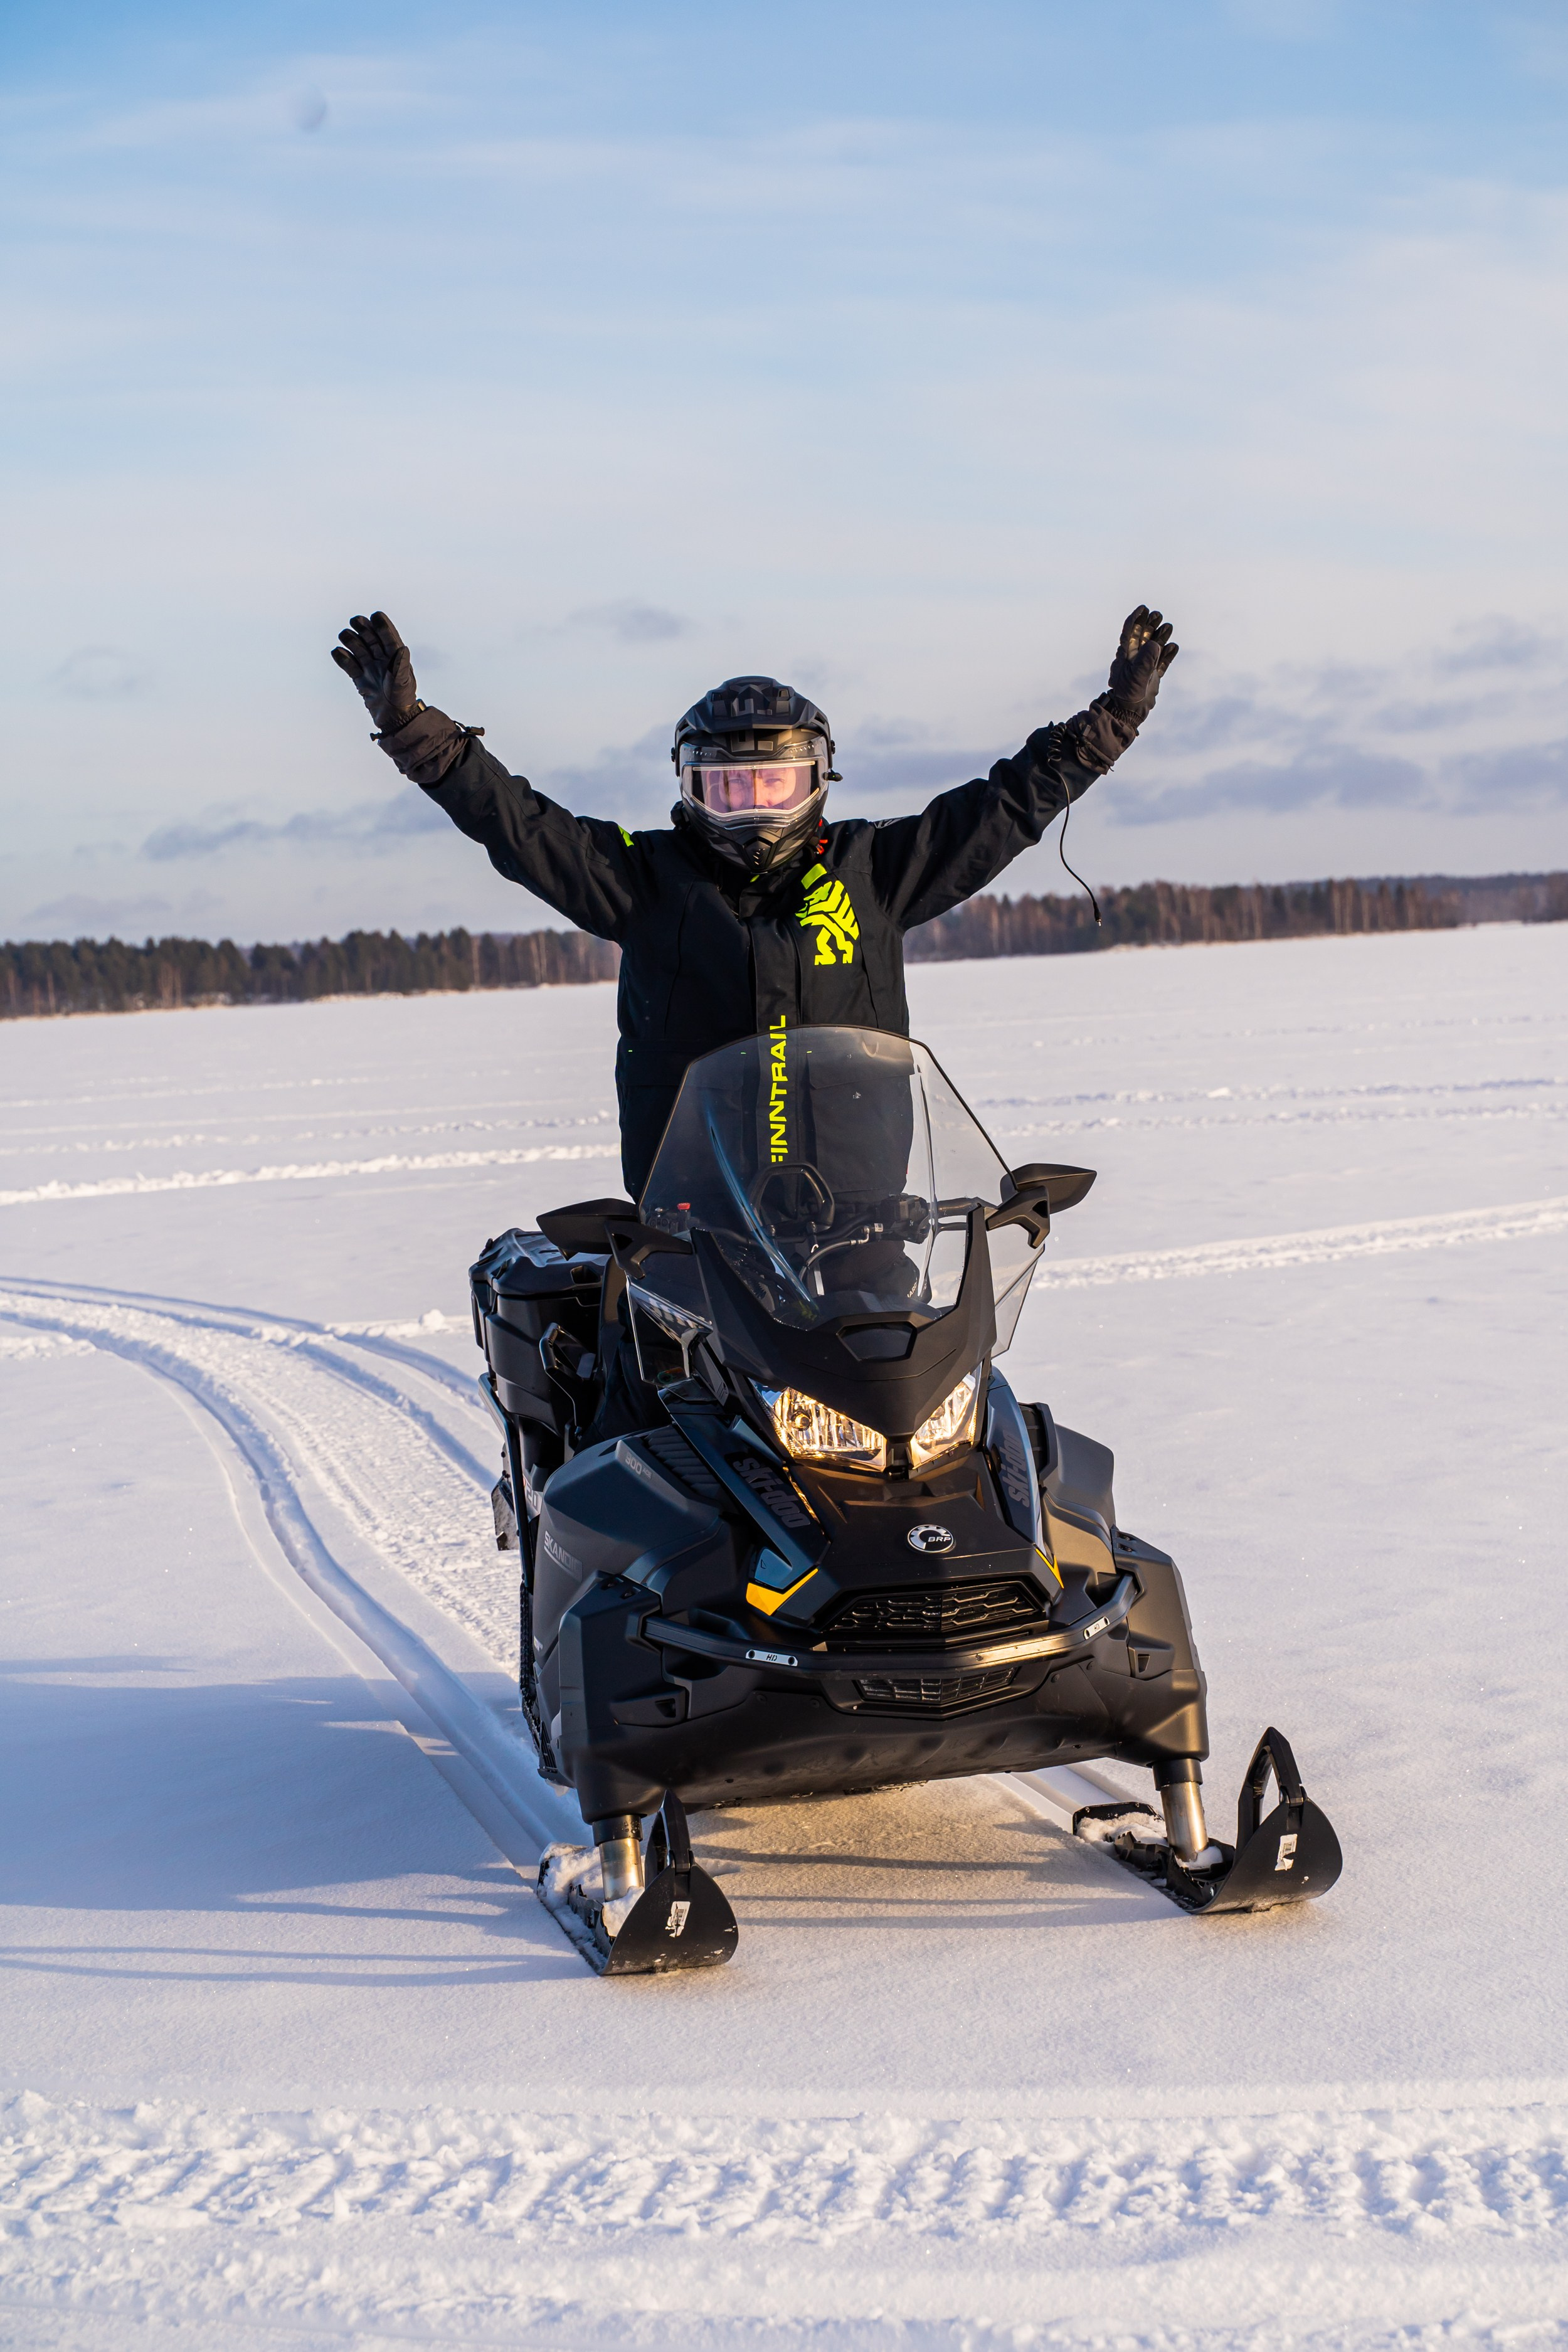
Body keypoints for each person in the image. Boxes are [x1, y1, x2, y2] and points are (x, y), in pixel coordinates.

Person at [331, 607, 1177, 1199]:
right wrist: (413, 728)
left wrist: (1114, 718)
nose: (755, 806)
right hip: (695, 1221)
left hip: (864, 1218)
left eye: (775, 781)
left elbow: (1006, 805)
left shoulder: (876, 870)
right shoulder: (646, 879)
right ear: (691, 788)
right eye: (728, 787)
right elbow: (516, 822)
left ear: (818, 780)